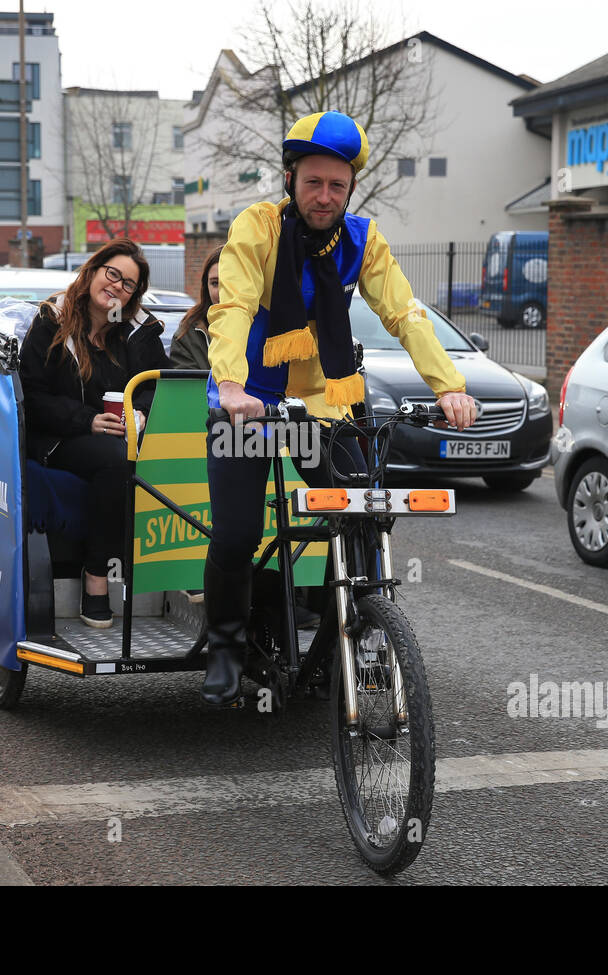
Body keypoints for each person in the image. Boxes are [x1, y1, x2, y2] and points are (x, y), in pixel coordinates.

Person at [199, 111, 478, 705]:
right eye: (313, 182)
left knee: (362, 515)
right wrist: (230, 385)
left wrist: (448, 385)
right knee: (237, 532)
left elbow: (405, 314)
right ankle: (225, 646)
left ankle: (349, 640)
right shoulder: (258, 228)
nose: (324, 196)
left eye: (337, 185)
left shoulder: (362, 240)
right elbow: (234, 308)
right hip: (249, 400)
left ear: (350, 189)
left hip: (323, 402)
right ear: (290, 180)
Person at [19, 238, 171, 628]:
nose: (117, 286)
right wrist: (86, 420)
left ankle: (180, 569)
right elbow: (32, 396)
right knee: (116, 460)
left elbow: (160, 383)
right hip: (59, 438)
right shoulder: (52, 321)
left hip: (123, 437)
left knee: (173, 455)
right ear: (92, 272)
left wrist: (141, 412)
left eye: (128, 284)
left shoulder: (135, 332)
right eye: (112, 274)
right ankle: (96, 577)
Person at [170, 245, 221, 371]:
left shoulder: (264, 328)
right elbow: (186, 381)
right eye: (215, 283)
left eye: (230, 282)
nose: (222, 291)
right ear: (206, 286)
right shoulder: (187, 333)